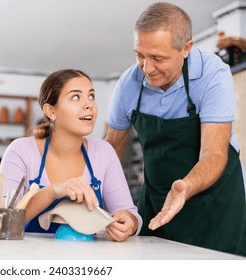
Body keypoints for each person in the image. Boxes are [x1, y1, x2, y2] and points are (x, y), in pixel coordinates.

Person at [105, 2, 246, 256]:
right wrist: (100, 202)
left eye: (157, 58)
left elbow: (214, 154)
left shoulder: (212, 75)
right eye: (139, 55)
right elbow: (111, 150)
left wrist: (185, 187)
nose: (146, 68)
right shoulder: (129, 83)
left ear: (186, 49)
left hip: (214, 203)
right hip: (157, 200)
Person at [0, 69, 142, 242]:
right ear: (50, 111)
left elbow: (130, 213)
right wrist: (52, 192)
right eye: (76, 97)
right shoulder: (21, 150)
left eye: (91, 96)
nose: (89, 104)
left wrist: (130, 223)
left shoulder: (104, 152)